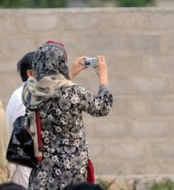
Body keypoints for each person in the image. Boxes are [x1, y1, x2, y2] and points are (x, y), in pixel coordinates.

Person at [23, 41, 113, 190]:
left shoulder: (30, 92)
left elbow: (52, 88)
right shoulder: (74, 93)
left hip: (42, 172)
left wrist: (70, 75)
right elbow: (103, 107)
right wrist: (103, 76)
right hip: (70, 172)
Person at [6, 52, 36, 187]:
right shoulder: (24, 98)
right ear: (31, 73)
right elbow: (21, 143)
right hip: (24, 171)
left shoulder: (22, 93)